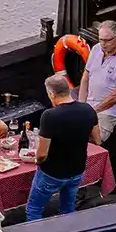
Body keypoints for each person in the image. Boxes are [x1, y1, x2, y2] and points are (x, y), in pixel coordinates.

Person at [26, 74, 100, 221]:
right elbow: (98, 139)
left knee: (34, 209)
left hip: (52, 173)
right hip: (77, 170)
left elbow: (42, 154)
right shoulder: (88, 109)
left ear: (51, 94)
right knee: (68, 207)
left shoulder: (49, 116)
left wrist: (37, 161)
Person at [78, 21, 116, 142]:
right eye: (100, 39)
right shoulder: (96, 49)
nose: (103, 44)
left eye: (107, 40)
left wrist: (93, 111)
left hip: (108, 110)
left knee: (95, 138)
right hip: (89, 103)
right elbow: (85, 78)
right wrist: (81, 105)